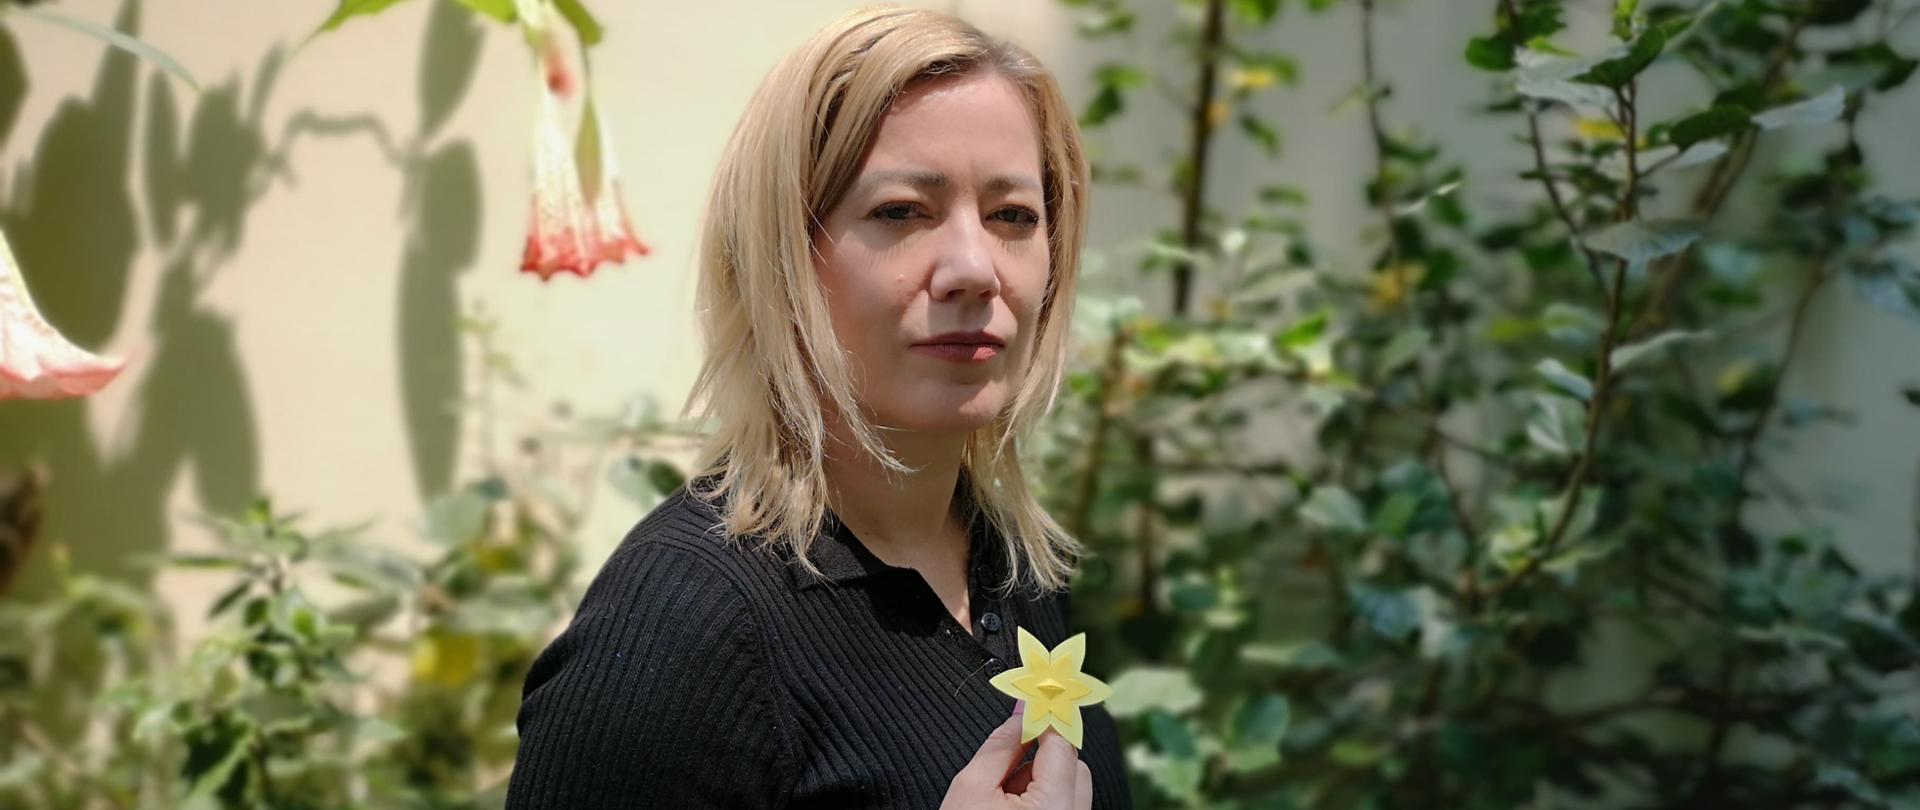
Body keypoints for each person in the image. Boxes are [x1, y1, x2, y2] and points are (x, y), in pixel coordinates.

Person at [505, 5, 1127, 808]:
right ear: (785, 258)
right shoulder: (682, 632)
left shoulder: (1010, 570)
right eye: (901, 211)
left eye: (1013, 216)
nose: (976, 268)